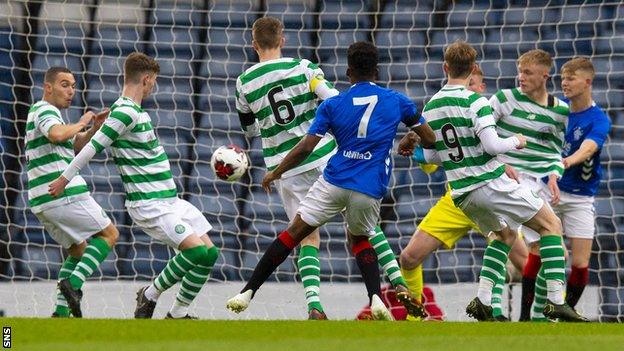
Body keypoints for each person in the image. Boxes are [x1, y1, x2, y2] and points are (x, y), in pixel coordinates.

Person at [226, 41, 435, 320]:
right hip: (368, 187)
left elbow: (304, 146)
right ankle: (380, 295)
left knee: (296, 233)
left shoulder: (335, 105)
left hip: (331, 179)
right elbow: (431, 138)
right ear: (377, 70)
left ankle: (249, 292)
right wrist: (411, 136)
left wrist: (276, 172)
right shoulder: (397, 100)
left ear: (348, 72)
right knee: (362, 235)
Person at [419, 41, 587, 322]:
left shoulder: (432, 105)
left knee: (505, 235)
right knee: (551, 225)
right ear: (473, 68)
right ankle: (557, 301)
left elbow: (431, 155)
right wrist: (517, 141)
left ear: (445, 67)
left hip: (461, 193)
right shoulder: (476, 101)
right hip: (489, 183)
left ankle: (484, 300)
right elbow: (492, 144)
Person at [48, 53, 219, 319]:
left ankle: (178, 314)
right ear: (147, 80)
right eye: (154, 82)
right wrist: (64, 179)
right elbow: (91, 148)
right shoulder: (126, 112)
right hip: (150, 204)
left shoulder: (131, 111)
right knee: (195, 250)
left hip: (171, 201)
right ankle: (149, 294)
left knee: (209, 253)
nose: (153, 87)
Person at [398, 65, 528, 321]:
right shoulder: (447, 118)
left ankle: (513, 312)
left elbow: (495, 149)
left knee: (526, 265)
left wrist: (503, 164)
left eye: (471, 86)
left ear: (480, 89)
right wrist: (417, 148)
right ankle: (415, 319)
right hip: (457, 200)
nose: (464, 92)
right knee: (409, 257)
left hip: (491, 195)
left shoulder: (485, 115)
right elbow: (430, 164)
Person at [25, 66, 118, 318]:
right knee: (109, 234)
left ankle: (60, 312)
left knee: (78, 250)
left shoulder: (53, 115)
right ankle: (73, 285)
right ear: (48, 87)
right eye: (65, 84)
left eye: (73, 85)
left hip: (42, 200)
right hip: (62, 192)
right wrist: (82, 122)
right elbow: (56, 134)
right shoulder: (44, 109)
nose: (71, 91)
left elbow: (73, 144)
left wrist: (93, 130)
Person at [488, 49, 569, 321]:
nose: (521, 77)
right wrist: (498, 163)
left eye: (528, 73)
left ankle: (537, 316)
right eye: (520, 71)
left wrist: (555, 174)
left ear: (545, 75)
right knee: (503, 236)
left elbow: (555, 151)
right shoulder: (504, 99)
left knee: (548, 248)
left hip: (537, 184)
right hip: (506, 179)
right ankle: (494, 311)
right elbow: (479, 132)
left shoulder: (560, 111)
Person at [541, 57, 610, 311]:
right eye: (562, 79)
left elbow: (589, 148)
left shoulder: (599, 119)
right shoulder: (556, 110)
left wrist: (566, 162)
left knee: (580, 263)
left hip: (581, 195)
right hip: (548, 189)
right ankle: (526, 317)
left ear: (587, 82)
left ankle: (562, 314)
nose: (565, 83)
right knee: (542, 254)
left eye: (570, 78)